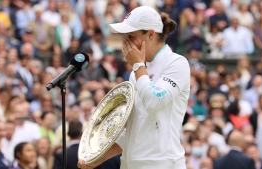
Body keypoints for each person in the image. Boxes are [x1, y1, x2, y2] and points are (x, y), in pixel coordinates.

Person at [78, 6, 190, 169]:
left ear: (151, 34)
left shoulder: (177, 63)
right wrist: (98, 158)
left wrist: (138, 66)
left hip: (163, 164)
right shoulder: (136, 72)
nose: (126, 43)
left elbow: (154, 102)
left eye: (131, 36)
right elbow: (133, 129)